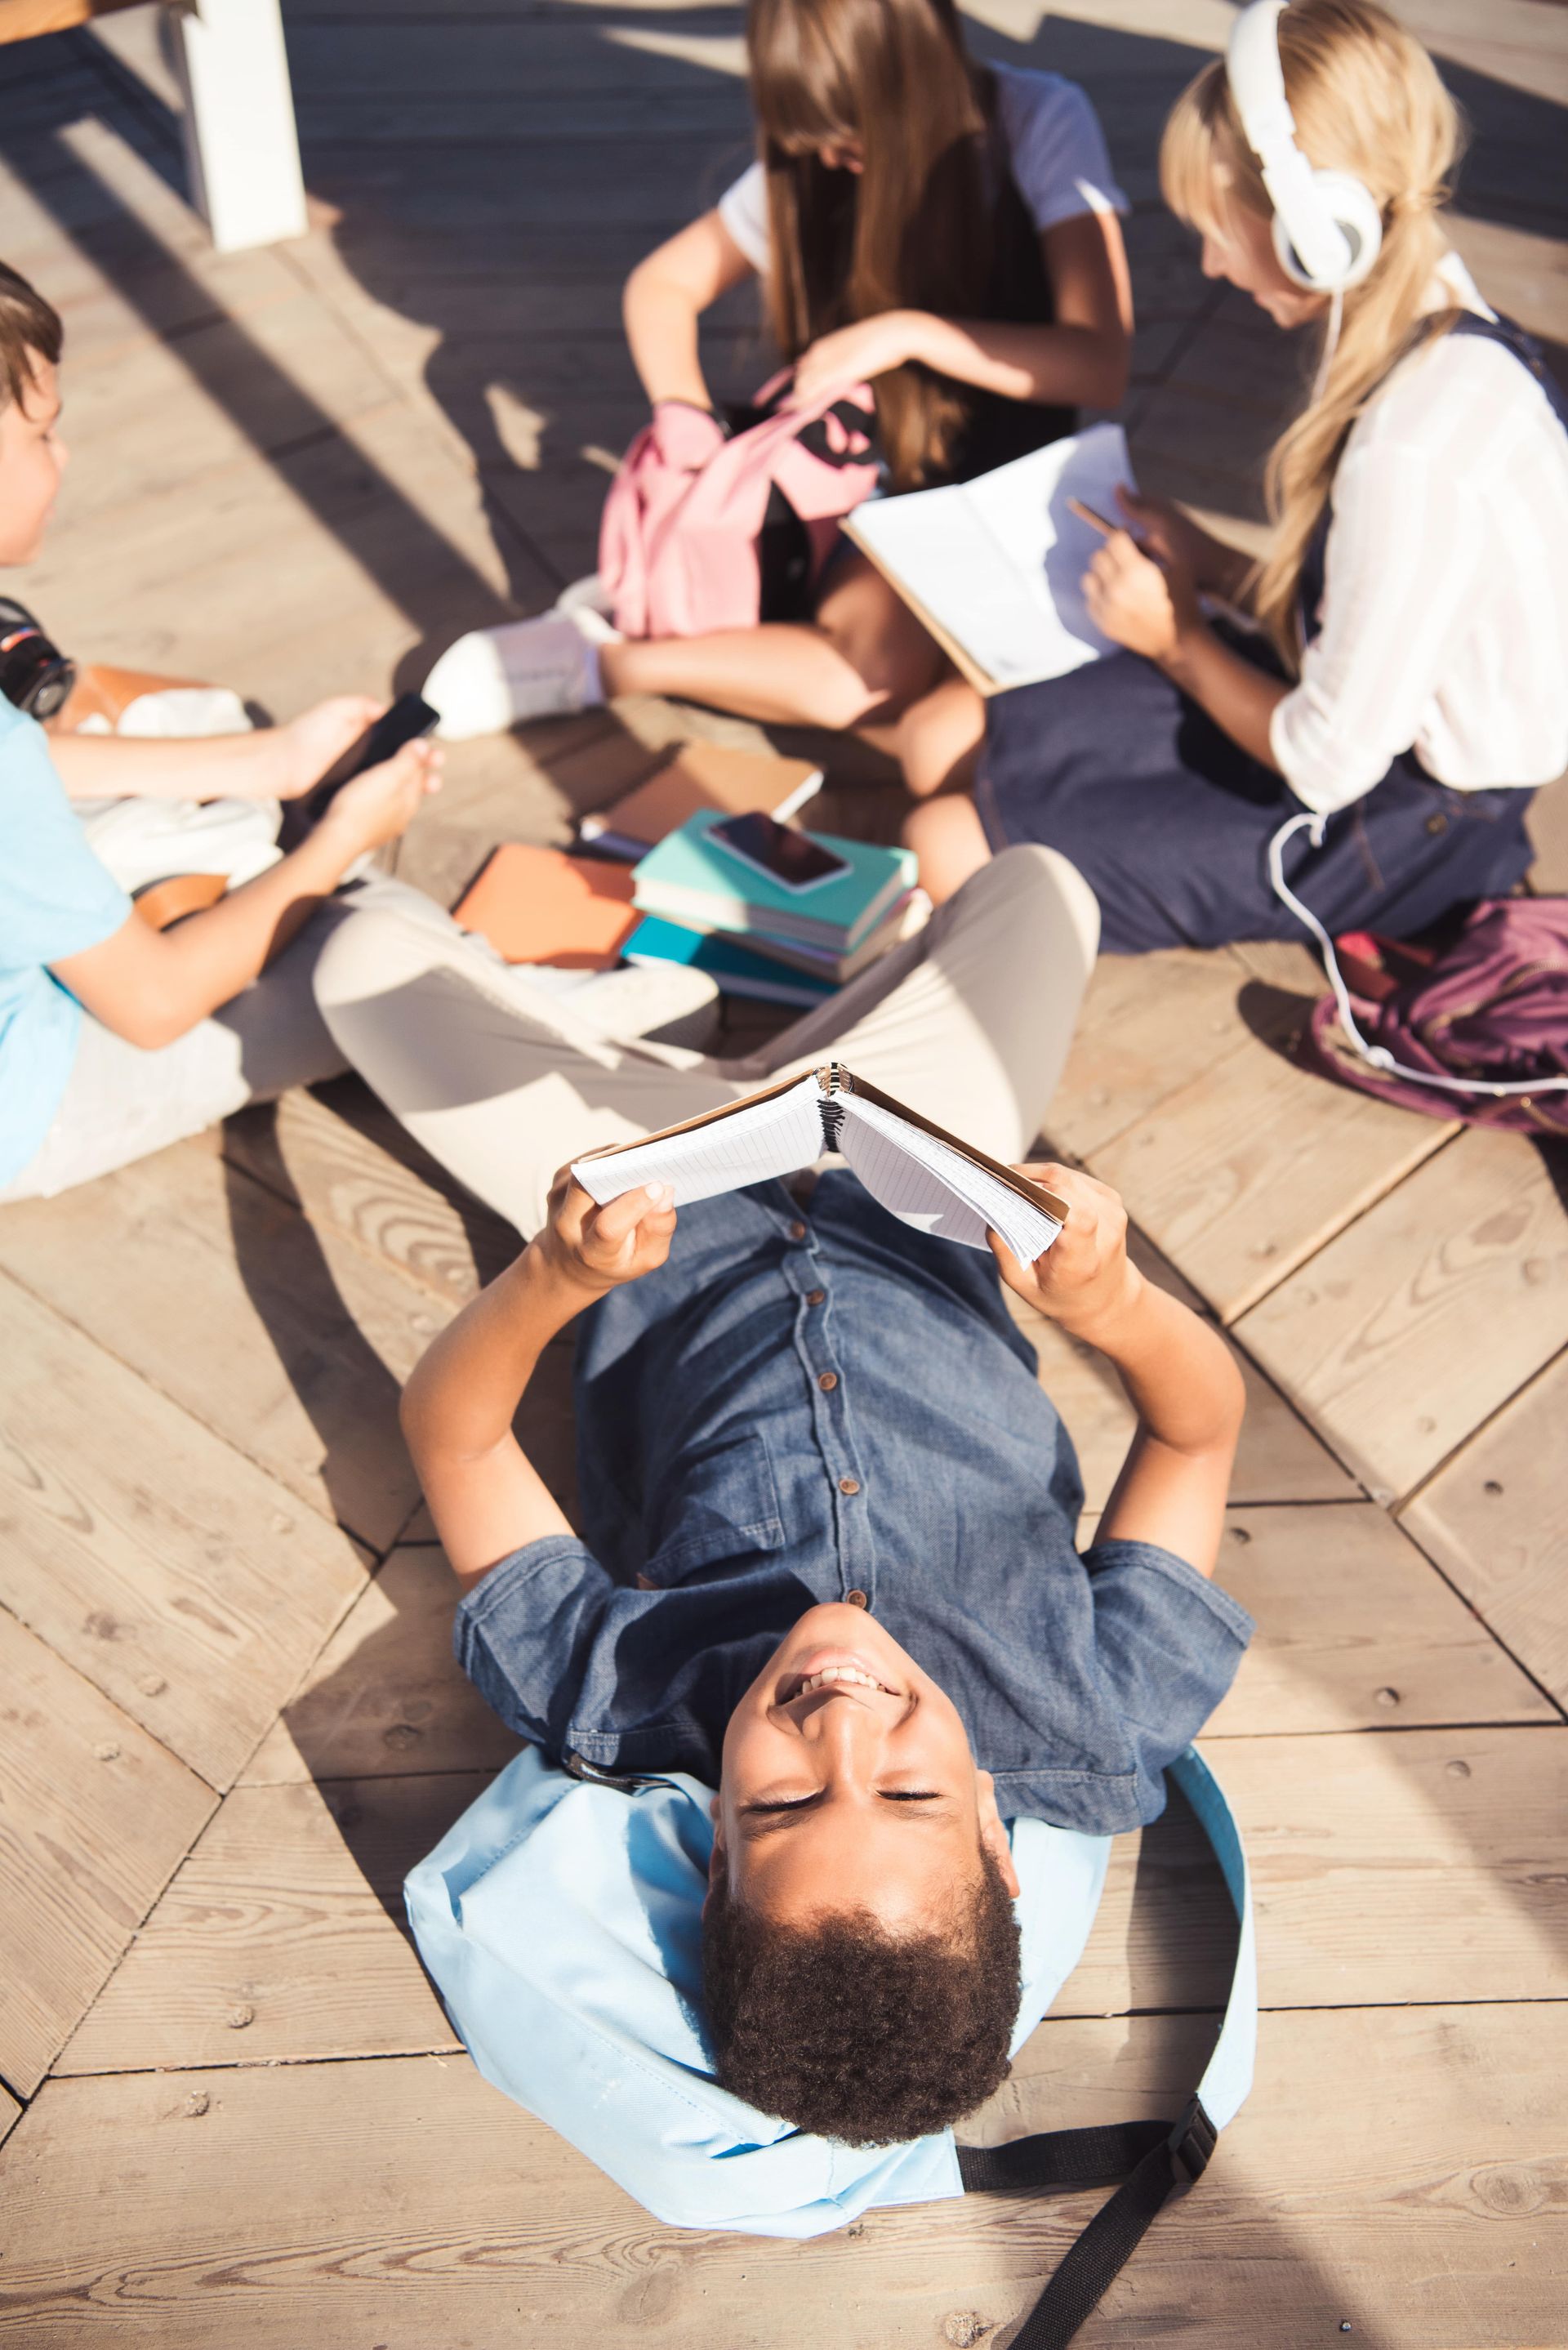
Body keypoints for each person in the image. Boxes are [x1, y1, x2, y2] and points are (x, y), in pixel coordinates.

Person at [311, 843, 1251, 2141]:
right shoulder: (1103, 1714)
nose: (842, 1727)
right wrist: (1116, 1303)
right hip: (919, 1179)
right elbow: (1199, 1437)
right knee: (1046, 883)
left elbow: (454, 1440)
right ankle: (736, 1052)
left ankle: (694, 1063)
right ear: (996, 1838)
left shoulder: (614, 1705)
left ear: (711, 1864)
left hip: (652, 1189)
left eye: (786, 1801)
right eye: (911, 1792)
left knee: (357, 958)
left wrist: (556, 1278)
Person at [900, 0, 1568, 951]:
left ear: (1316, 229)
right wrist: (1211, 564)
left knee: (944, 843)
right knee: (937, 731)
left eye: (1221, 229)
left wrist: (1174, 637)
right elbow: (1390, 628)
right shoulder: (1437, 323)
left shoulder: (1414, 445)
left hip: (1413, 824)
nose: (1211, 265)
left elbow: (1325, 762)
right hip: (1349, 719)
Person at [422, 0, 1131, 747]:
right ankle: (602, 661)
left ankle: (644, 645)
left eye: (848, 136)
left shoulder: (1040, 119)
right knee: (876, 678)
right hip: (866, 497)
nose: (829, 160)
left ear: (911, 86)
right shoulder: (813, 165)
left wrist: (907, 335)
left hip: (1002, 487)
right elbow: (660, 287)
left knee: (935, 711)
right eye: (812, 139)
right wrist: (686, 427)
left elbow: (1098, 365)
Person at [0, 261, 452, 1203]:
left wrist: (265, 758)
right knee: (376, 942)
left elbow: (32, 763)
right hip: (30, 1096)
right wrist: (339, 842)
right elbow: (156, 1004)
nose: (66, 455)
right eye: (43, 432)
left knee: (201, 766)